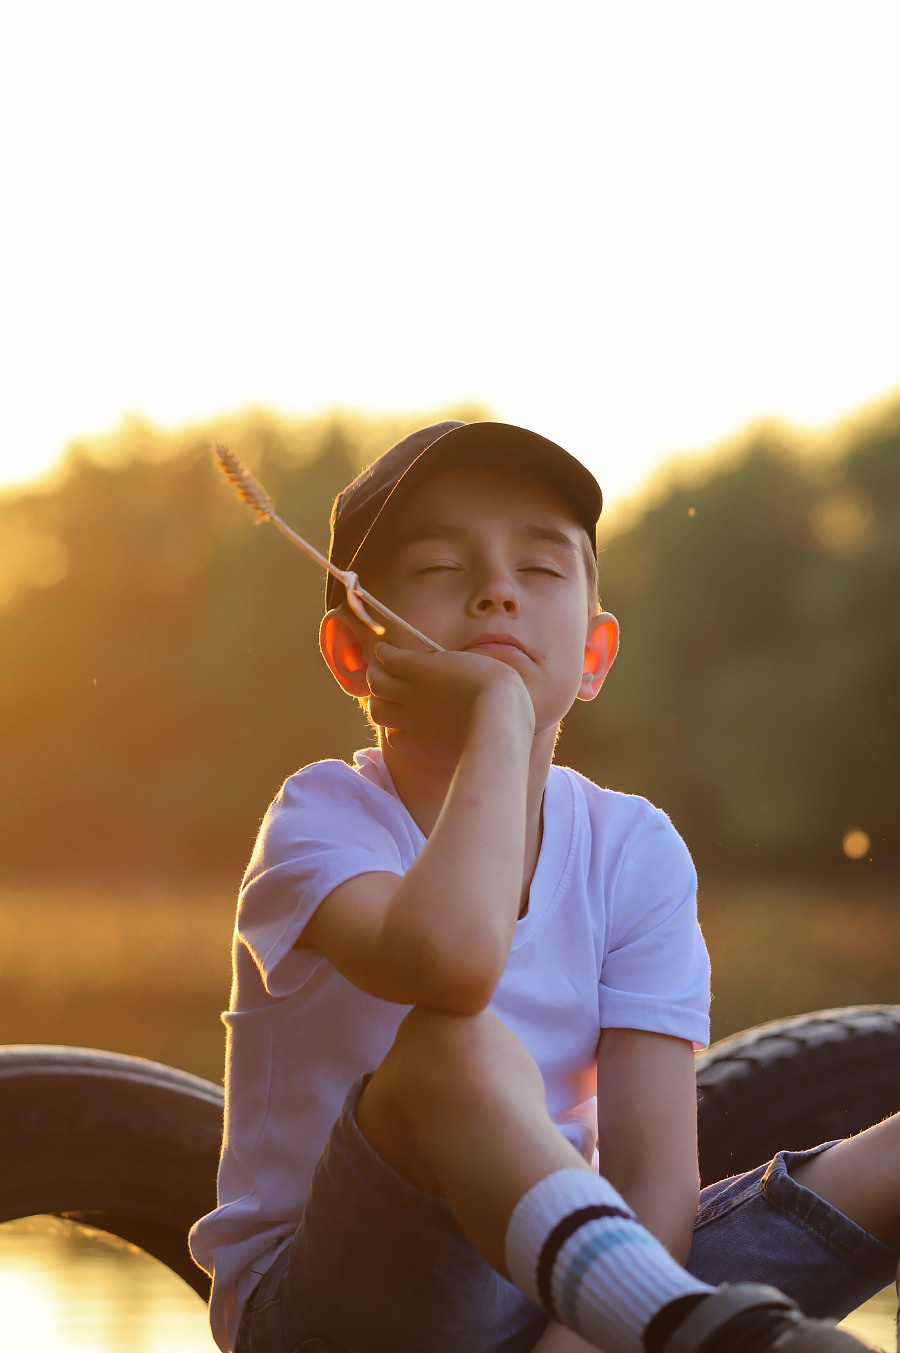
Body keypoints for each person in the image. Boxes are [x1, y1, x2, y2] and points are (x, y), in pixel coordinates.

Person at [190, 421, 900, 1353]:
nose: (496, 590)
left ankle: (669, 1323)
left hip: (586, 1290)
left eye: (542, 569)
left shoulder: (634, 847)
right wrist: (495, 709)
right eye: (442, 568)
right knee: (457, 1046)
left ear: (596, 656)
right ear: (354, 654)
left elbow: (653, 1181)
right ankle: (687, 1326)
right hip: (331, 1304)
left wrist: (577, 1343)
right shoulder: (320, 818)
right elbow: (453, 963)